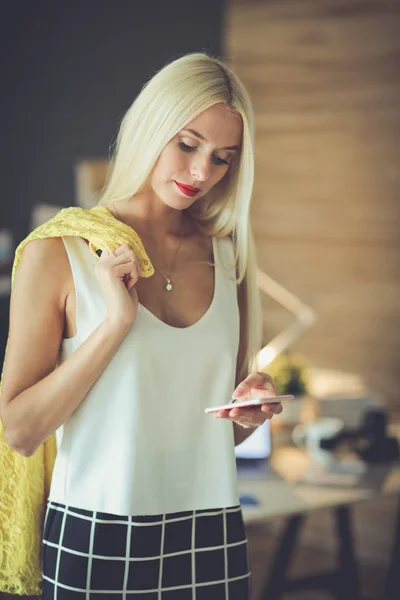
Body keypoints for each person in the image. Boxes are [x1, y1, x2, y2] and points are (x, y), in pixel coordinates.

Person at [0, 52, 282, 599]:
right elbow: (20, 430)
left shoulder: (231, 258)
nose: (203, 172)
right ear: (151, 126)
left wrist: (250, 412)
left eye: (224, 158)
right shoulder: (62, 251)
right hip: (94, 531)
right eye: (187, 144)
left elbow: (214, 429)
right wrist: (113, 326)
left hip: (211, 528)